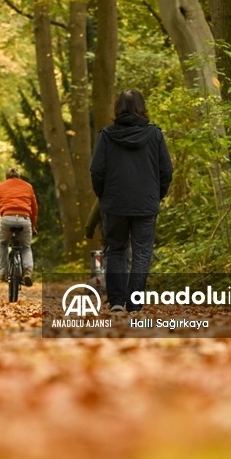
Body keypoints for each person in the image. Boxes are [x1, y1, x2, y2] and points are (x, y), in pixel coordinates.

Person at [90, 89, 173, 312]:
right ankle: (134, 304)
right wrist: (156, 196)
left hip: (114, 204)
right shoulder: (155, 135)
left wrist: (103, 196)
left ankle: (116, 302)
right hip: (145, 205)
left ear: (118, 108)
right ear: (142, 108)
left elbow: (96, 170)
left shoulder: (107, 135)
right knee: (142, 252)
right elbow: (167, 171)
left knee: (115, 250)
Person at [0, 168, 38, 286]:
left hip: (7, 219)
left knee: (3, 244)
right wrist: (33, 226)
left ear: (7, 177)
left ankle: (2, 273)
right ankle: (27, 272)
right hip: (24, 219)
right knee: (26, 247)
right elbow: (34, 209)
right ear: (19, 176)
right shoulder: (28, 186)